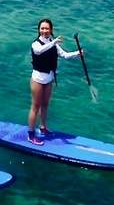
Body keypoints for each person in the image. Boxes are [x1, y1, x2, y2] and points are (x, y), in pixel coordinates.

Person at [28, 17, 83, 145]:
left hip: (49, 79)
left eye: (47, 28)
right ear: (39, 30)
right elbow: (39, 51)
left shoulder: (53, 43)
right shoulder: (36, 44)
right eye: (42, 28)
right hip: (37, 79)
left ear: (51, 30)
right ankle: (31, 134)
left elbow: (64, 55)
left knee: (45, 105)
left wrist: (77, 53)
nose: (44, 31)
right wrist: (53, 42)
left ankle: (43, 127)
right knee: (35, 107)